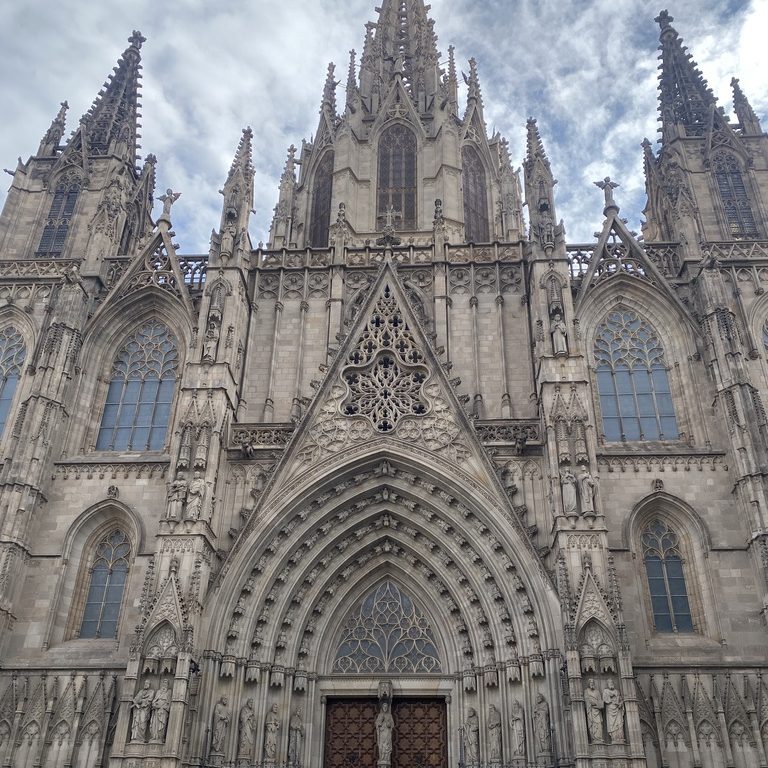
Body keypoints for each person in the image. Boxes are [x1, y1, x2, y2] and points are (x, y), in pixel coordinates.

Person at [585, 678, 604, 743]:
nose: (592, 684)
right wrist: (594, 703)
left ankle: (599, 738)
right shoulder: (586, 691)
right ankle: (594, 739)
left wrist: (595, 703)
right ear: (588, 684)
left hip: (597, 712)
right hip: (591, 711)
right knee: (592, 725)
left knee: (599, 725)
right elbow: (587, 701)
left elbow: (601, 703)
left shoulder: (597, 692)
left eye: (593, 683)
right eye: (590, 683)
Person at [375, 701, 394, 765]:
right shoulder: (380, 715)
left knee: (387, 745)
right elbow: (377, 724)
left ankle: (386, 758)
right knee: (381, 745)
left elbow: (392, 724)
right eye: (384, 707)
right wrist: (381, 721)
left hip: (387, 732)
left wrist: (389, 724)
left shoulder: (389, 715)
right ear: (382, 707)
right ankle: (382, 758)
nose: (385, 708)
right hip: (382, 733)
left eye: (386, 707)